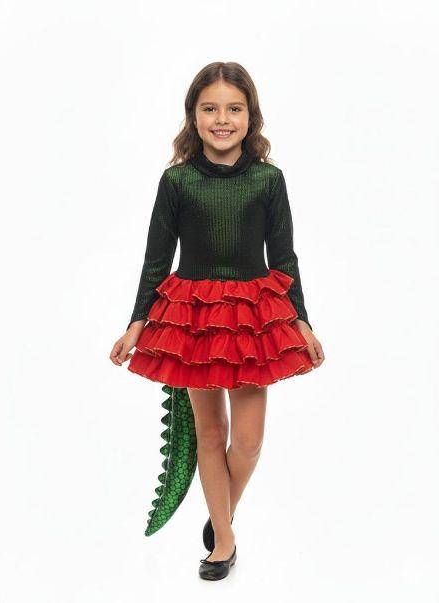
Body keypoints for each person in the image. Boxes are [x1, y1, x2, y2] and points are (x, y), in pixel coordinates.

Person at [110, 61, 325, 580]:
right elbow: (156, 259)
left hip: (253, 317)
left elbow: (285, 257)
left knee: (247, 441)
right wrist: (136, 323)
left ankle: (219, 510)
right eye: (210, 109)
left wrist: (302, 320)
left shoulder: (268, 180)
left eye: (234, 109)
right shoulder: (177, 181)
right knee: (211, 432)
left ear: (251, 116)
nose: (222, 120)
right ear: (194, 115)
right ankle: (223, 541)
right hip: (193, 317)